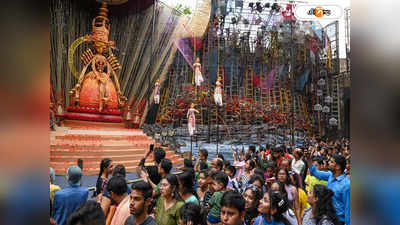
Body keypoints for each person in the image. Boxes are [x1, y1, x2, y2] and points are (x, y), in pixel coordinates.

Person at [307, 153, 350, 225]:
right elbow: (315, 172)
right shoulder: (330, 175)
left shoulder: (346, 185)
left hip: (339, 221)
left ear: (338, 167)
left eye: (331, 162)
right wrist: (308, 158)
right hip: (327, 217)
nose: (328, 163)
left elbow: (348, 208)